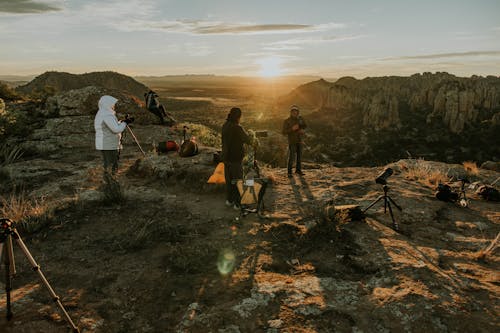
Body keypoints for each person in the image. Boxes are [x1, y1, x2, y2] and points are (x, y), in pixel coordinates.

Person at [94, 95, 134, 177]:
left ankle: (108, 180)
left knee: (108, 164)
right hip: (108, 144)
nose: (113, 106)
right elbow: (116, 129)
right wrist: (125, 123)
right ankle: (111, 182)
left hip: (106, 143)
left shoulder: (102, 113)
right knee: (112, 165)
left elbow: (112, 126)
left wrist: (121, 122)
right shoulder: (107, 115)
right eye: (112, 104)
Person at [221, 107, 251, 209]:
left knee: (229, 181)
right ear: (238, 117)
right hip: (235, 159)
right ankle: (238, 204)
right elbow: (248, 140)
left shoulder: (225, 126)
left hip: (226, 158)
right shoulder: (237, 128)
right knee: (238, 181)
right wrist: (251, 134)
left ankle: (229, 200)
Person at [282, 105, 307, 177]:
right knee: (292, 157)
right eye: (293, 112)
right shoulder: (287, 121)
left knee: (299, 157)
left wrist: (302, 130)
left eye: (296, 112)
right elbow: (284, 132)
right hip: (292, 141)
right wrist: (292, 129)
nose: (295, 113)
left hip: (300, 140)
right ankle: (289, 172)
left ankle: (298, 170)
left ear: (298, 112)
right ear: (291, 112)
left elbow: (305, 126)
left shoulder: (300, 119)